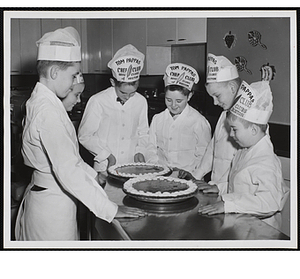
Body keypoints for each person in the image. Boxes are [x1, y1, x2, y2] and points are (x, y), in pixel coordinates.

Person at [15, 28, 145, 241]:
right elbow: (68, 170)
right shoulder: (47, 111)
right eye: (73, 74)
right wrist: (110, 210)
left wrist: (95, 176)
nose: (75, 79)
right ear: (55, 72)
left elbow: (71, 160)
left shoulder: (43, 102)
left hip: (51, 199)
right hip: (52, 209)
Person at [198, 80, 289, 215]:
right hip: (243, 221)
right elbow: (241, 188)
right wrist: (219, 188)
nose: (230, 134)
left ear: (253, 130)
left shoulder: (266, 161)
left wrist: (228, 205)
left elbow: (270, 202)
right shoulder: (243, 151)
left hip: (261, 229)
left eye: (234, 129)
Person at [78, 44, 149, 183]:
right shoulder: (98, 101)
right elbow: (84, 136)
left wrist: (140, 151)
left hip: (132, 167)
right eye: (123, 92)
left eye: (132, 92)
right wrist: (107, 155)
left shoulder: (141, 101)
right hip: (104, 167)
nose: (128, 97)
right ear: (112, 82)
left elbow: (144, 133)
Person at [179, 54, 242, 194]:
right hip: (217, 189)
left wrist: (220, 188)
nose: (214, 102)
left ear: (232, 87)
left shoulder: (248, 119)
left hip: (234, 193)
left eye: (217, 95)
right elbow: (212, 150)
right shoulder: (224, 113)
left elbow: (246, 170)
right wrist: (196, 175)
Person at [146, 63, 211, 173]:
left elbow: (204, 154)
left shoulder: (199, 122)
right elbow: (150, 147)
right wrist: (155, 166)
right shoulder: (158, 119)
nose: (173, 105)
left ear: (189, 96)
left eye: (179, 101)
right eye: (169, 100)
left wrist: (192, 174)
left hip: (189, 177)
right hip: (160, 175)